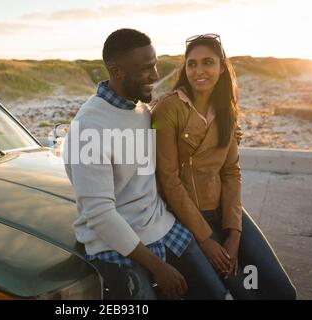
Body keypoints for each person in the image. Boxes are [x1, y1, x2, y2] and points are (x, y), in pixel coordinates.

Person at [63, 29, 230, 300]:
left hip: (163, 225)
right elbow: (100, 215)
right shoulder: (88, 130)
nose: (155, 75)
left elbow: (175, 143)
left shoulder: (140, 109)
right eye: (145, 70)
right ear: (116, 72)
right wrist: (158, 268)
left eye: (155, 65)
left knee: (217, 295)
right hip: (115, 243)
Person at [151, 33, 297, 299]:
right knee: (246, 294)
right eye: (192, 64)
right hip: (191, 219)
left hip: (227, 212)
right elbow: (168, 180)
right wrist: (205, 239)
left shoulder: (227, 108)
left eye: (208, 62)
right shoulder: (169, 108)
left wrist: (234, 233)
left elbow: (230, 171)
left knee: (282, 291)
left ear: (221, 66)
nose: (199, 71)